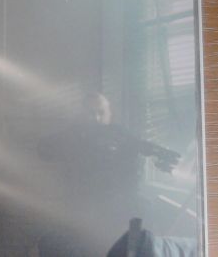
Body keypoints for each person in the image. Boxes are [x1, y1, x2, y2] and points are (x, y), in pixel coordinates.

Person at [37, 92, 180, 257]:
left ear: (109, 114)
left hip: (119, 203)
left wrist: (161, 153)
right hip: (82, 204)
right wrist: (73, 141)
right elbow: (44, 150)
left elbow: (142, 146)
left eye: (101, 112)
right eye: (90, 113)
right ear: (82, 115)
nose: (96, 118)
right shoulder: (72, 135)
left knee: (143, 217)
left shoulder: (120, 135)